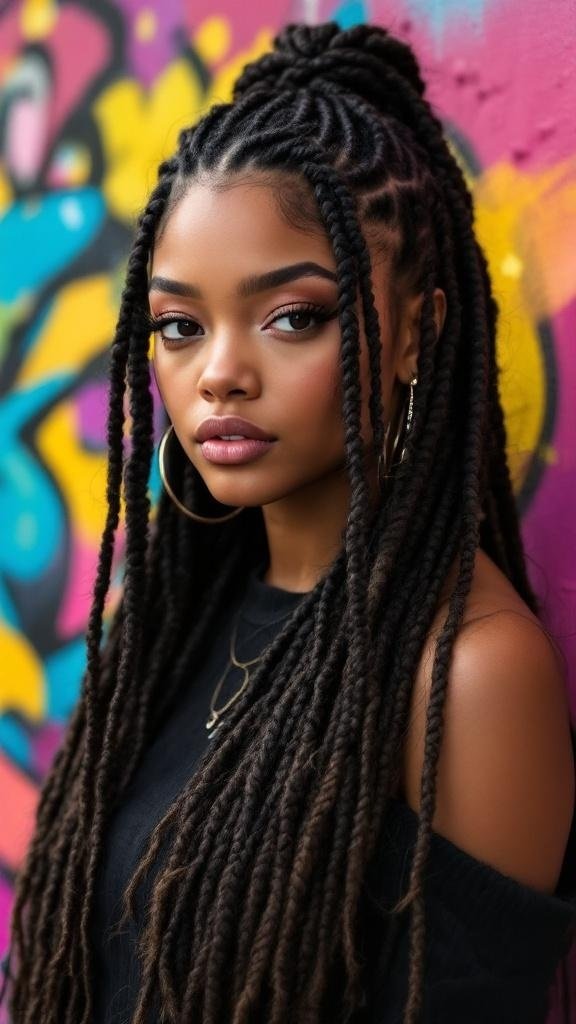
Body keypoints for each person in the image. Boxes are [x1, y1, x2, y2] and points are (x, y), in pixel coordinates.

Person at [1, 19, 575, 1024]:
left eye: (292, 316)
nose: (218, 372)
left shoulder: (468, 675)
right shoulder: (179, 617)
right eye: (180, 325)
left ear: (419, 332)